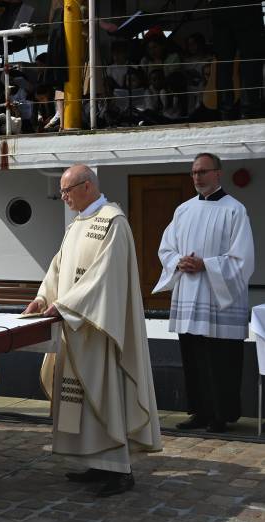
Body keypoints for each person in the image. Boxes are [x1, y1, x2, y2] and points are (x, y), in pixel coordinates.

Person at [23, 164, 161, 497]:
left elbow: (105, 277)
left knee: (104, 395)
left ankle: (120, 471)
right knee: (81, 401)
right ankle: (96, 462)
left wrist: (67, 306)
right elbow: (58, 267)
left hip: (100, 329)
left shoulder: (114, 222)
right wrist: (43, 298)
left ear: (87, 186)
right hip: (76, 328)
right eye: (62, 191)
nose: (63, 197)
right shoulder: (77, 225)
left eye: (67, 191)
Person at [153, 153, 254, 433]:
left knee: (221, 359)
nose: (197, 177)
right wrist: (178, 261)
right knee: (194, 358)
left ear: (218, 174)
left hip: (218, 299)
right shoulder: (183, 210)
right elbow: (166, 248)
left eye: (203, 172)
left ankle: (221, 416)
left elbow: (242, 258)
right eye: (194, 172)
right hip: (189, 295)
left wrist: (205, 265)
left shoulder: (235, 210)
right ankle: (199, 412)